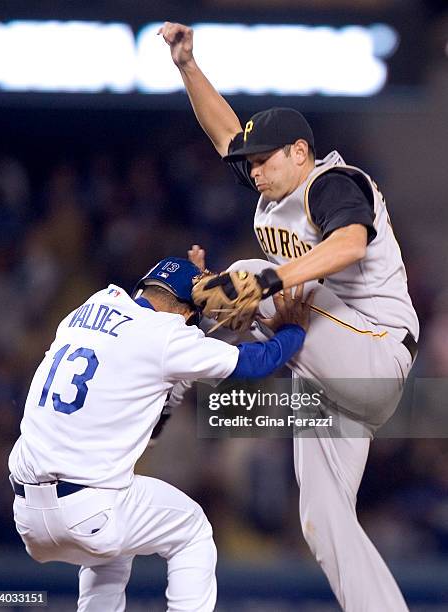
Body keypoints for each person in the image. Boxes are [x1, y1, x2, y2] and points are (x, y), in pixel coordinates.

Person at [161, 22, 419, 611]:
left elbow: (351, 243)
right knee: (323, 523)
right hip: (327, 377)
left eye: (264, 160)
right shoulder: (274, 186)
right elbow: (226, 132)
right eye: (249, 163)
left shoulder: (332, 183)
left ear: (299, 152)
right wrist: (187, 66)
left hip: (375, 349)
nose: (253, 170)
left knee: (250, 272)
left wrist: (268, 280)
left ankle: (184, 329)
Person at [9, 256, 313, 612]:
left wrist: (191, 281)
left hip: (26, 513)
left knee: (115, 550)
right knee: (193, 530)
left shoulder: (92, 305)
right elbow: (257, 362)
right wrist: (295, 330)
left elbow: (151, 379)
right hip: (90, 511)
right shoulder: (168, 337)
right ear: (187, 316)